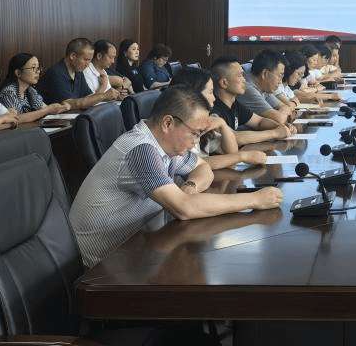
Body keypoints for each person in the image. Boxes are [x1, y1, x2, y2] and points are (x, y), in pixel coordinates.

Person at [68, 87, 283, 267]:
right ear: (168, 123)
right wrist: (255, 199)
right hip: (103, 267)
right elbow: (184, 209)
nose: (197, 142)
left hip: (137, 244)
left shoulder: (165, 145)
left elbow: (203, 168)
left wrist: (190, 186)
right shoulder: (140, 149)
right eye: (195, 133)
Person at [168, 66, 269, 171]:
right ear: (193, 95)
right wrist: (242, 156)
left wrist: (222, 125)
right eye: (210, 92)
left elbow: (230, 152)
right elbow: (195, 164)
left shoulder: (205, 121)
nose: (214, 98)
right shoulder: (178, 125)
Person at [212, 56, 296, 147]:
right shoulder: (213, 109)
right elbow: (234, 138)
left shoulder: (234, 104)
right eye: (239, 76)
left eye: (243, 75)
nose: (244, 80)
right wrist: (275, 133)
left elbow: (259, 122)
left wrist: (280, 127)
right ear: (224, 83)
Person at [37, 37, 127, 110]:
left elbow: (89, 98)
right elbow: (71, 104)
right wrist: (104, 95)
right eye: (86, 60)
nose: (88, 64)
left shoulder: (78, 72)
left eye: (90, 60)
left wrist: (114, 95)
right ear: (73, 56)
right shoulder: (57, 73)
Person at [0, 53, 71, 123]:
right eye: (33, 68)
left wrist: (63, 107)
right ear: (18, 73)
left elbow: (45, 108)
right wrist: (47, 110)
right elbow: (16, 119)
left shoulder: (31, 90)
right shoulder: (9, 92)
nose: (38, 72)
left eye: (38, 68)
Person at [241, 50, 296, 125]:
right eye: (279, 76)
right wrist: (283, 113)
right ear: (265, 74)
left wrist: (283, 112)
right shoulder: (247, 88)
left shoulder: (264, 87)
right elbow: (279, 119)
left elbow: (286, 107)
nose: (280, 82)